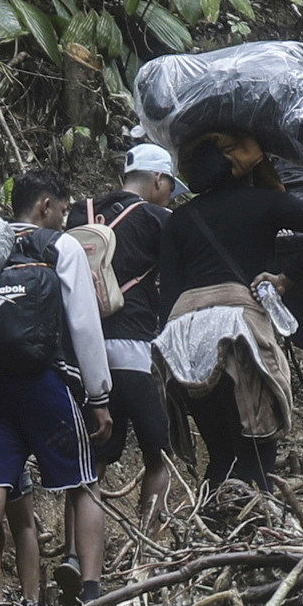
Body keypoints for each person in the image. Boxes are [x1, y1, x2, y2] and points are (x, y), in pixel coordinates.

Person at [157, 134, 303, 492]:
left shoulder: (180, 218)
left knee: (219, 453)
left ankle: (215, 529)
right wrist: (285, 280)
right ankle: (258, 528)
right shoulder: (264, 202)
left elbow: (169, 295)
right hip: (237, 329)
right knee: (257, 446)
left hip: (183, 337)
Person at [0, 169, 113, 606]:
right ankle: (90, 594)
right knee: (83, 483)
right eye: (64, 210)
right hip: (45, 380)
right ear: (45, 206)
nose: (65, 220)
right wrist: (99, 396)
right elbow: (84, 323)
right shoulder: (59, 246)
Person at [97, 143, 193, 516]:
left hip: (84, 354)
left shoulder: (81, 212)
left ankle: (76, 553)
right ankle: (148, 551)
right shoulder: (158, 219)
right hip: (134, 350)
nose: (171, 197)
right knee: (158, 456)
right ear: (158, 179)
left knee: (95, 462)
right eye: (171, 187)